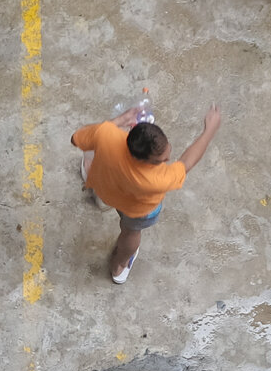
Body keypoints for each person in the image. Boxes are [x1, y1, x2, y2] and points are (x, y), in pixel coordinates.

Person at [73, 103, 222, 283]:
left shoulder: (107, 134)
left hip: (107, 187)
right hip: (136, 210)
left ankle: (100, 198)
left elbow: (76, 139)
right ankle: (119, 266)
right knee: (130, 233)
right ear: (144, 161)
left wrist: (120, 119)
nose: (167, 159)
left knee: (97, 168)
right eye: (161, 160)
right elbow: (187, 162)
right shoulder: (158, 180)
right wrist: (209, 131)